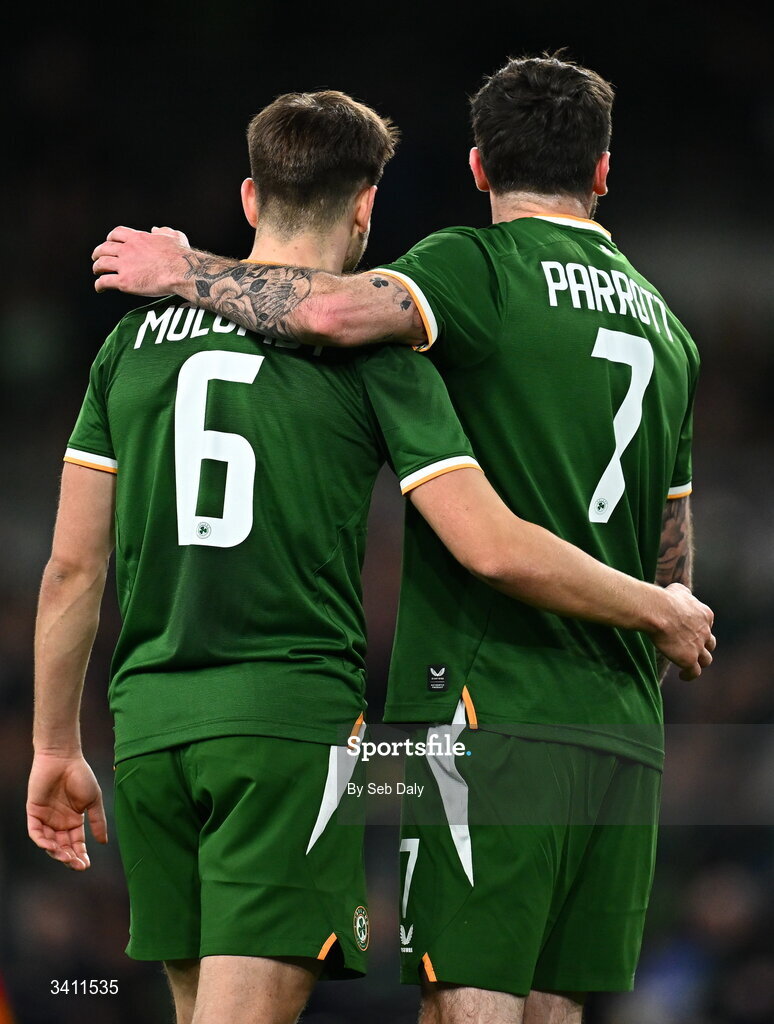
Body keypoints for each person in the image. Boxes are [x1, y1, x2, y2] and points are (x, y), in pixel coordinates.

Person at [87, 58, 714, 1024]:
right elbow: (675, 558)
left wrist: (185, 270)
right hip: (624, 724)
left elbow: (331, 310)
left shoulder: (471, 268)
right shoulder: (671, 333)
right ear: (600, 172)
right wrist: (658, 616)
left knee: (466, 1008)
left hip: (488, 705)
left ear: (475, 168)